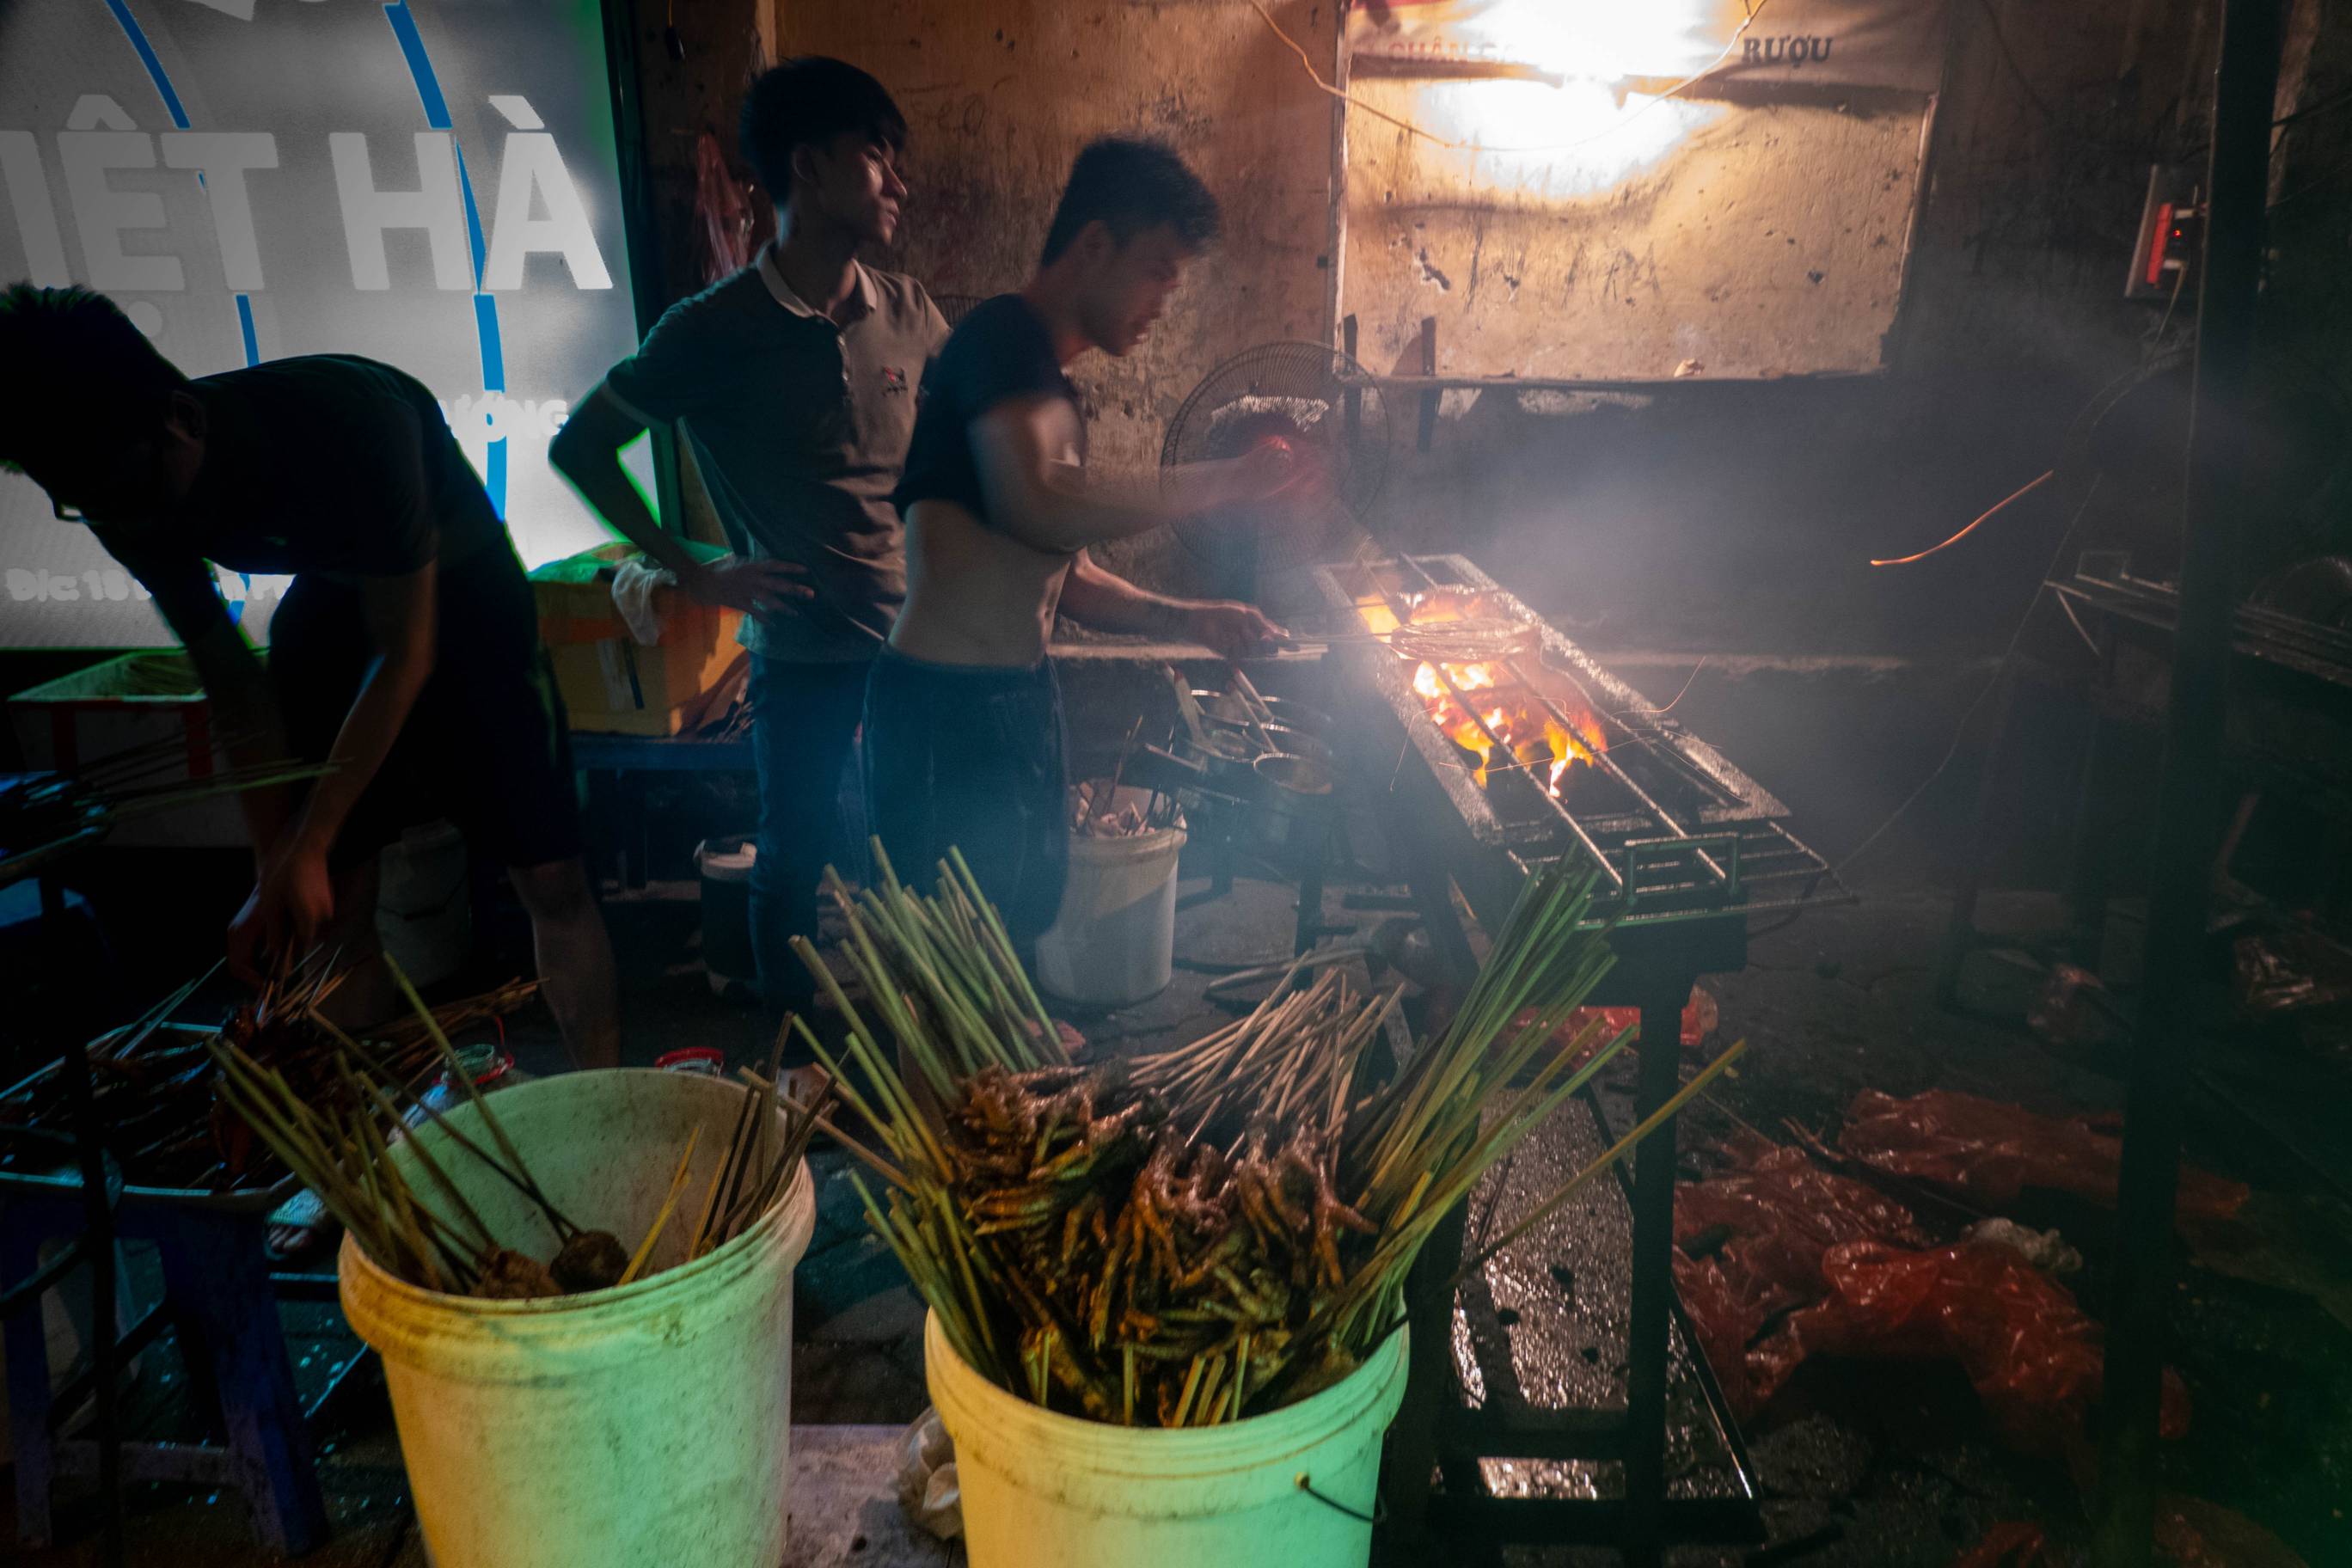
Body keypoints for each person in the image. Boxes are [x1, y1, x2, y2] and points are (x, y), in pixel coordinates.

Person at [0, 284, 621, 1069]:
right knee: (326, 914)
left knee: (551, 876)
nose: (122, 522)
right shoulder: (114, 487)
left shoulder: (347, 422)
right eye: (79, 503)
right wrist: (278, 866)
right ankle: (365, 1148)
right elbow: (232, 684)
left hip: (461, 601)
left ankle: (607, 1094)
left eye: (126, 495)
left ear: (180, 418)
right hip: (330, 607)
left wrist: (313, 833)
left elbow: (406, 650)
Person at [552, 58, 947, 1075]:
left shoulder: (910, 312)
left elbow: (958, 456)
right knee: (793, 855)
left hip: (919, 647)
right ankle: (796, 1048)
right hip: (803, 651)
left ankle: (927, 1040)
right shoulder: (710, 333)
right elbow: (579, 449)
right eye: (877, 158)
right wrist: (690, 569)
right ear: (808, 169)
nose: (897, 183)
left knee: (919, 850)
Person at [877, 137, 1302, 948]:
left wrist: (1193, 618)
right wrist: (1225, 480)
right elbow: (1038, 506)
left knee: (1014, 930)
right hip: (944, 712)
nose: (1161, 303)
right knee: (942, 964)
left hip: (1015, 700)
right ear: (1095, 245)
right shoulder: (1000, 337)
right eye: (1157, 272)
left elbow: (1062, 576)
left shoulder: (1049, 389)